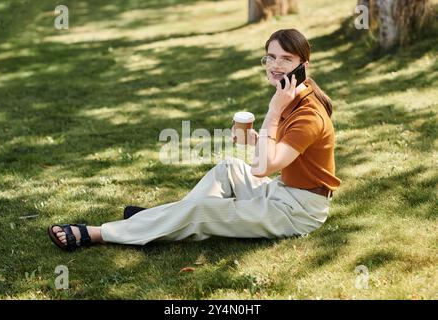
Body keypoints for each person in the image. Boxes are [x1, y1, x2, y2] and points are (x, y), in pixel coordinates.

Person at [48, 29, 341, 251]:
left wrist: (272, 111)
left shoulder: (304, 111)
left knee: (202, 212)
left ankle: (98, 232)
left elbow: (263, 168)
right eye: (271, 57)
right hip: (283, 192)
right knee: (228, 167)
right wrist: (254, 139)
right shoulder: (295, 91)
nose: (275, 65)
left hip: (298, 211)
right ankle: (165, 219)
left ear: (303, 64)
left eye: (286, 59)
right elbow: (283, 152)